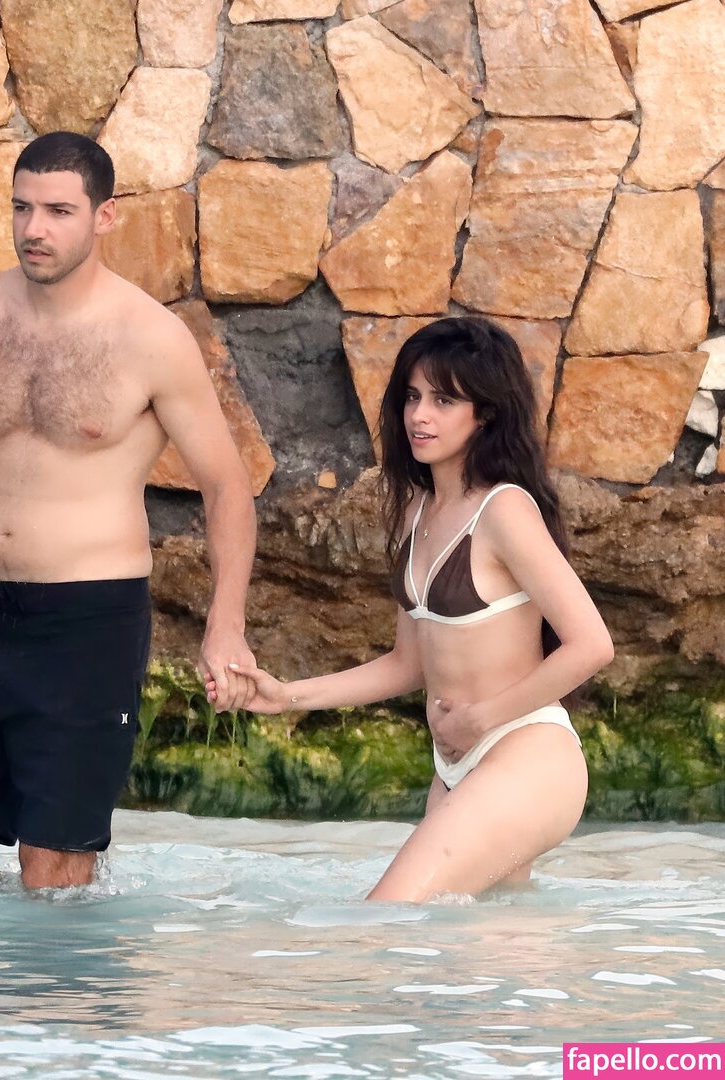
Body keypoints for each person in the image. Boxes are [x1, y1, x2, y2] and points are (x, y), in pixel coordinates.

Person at [0, 132, 257, 892]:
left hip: (90, 630)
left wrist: (225, 623)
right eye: (22, 208)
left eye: (58, 211)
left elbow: (225, 486)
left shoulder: (150, 337)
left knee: (53, 888)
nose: (33, 228)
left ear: (105, 217)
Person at [207, 317, 614, 902]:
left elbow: (592, 645)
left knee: (381, 917)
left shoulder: (504, 511)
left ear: (485, 413)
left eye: (444, 401)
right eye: (413, 397)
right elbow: (408, 664)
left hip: (528, 755)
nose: (420, 415)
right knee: (474, 950)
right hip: (456, 768)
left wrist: (482, 718)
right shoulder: (412, 513)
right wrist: (286, 696)